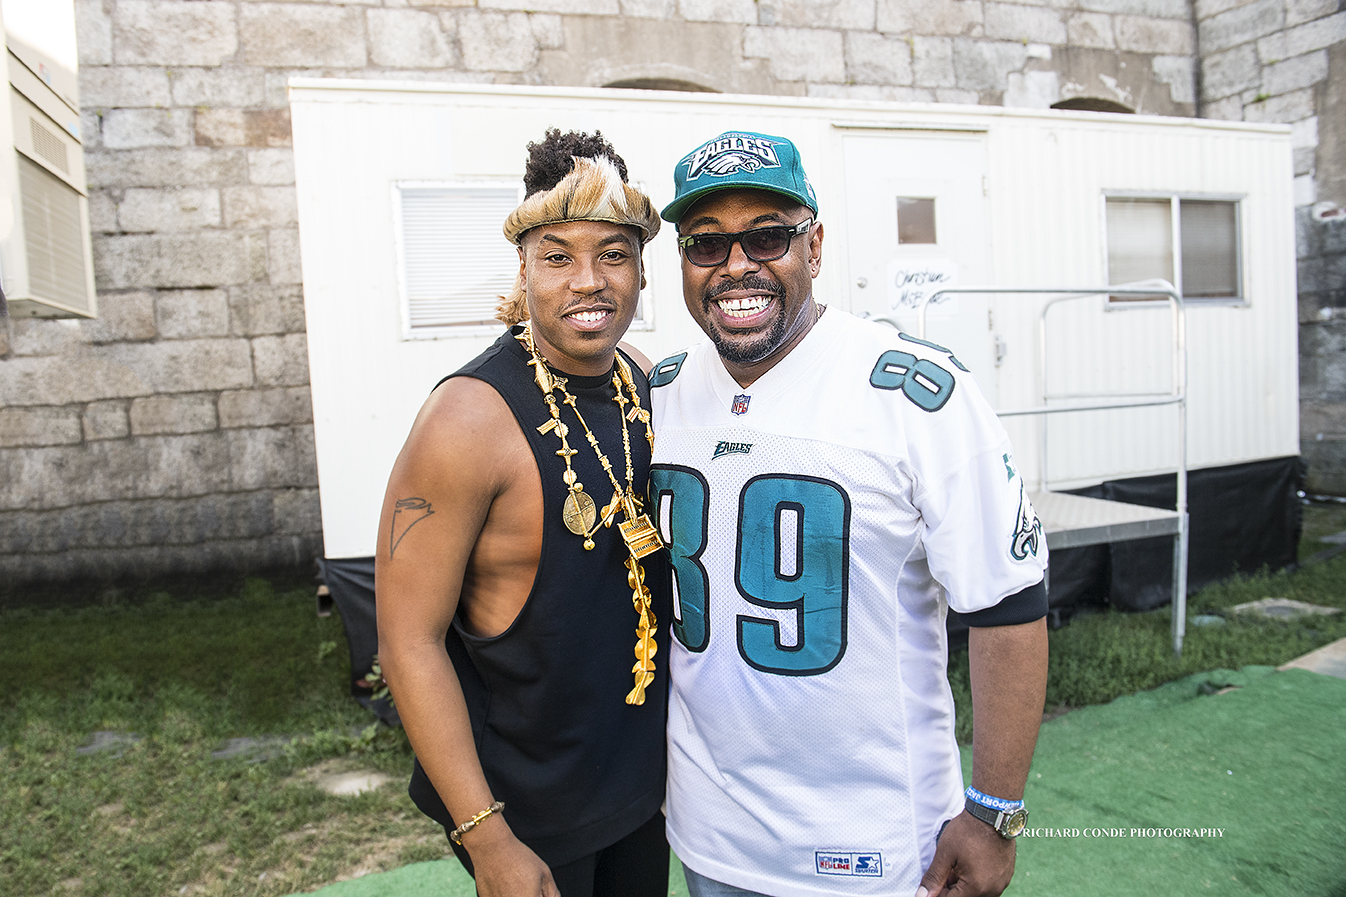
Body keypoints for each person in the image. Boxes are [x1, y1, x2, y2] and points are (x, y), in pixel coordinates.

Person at [648, 130, 1050, 897]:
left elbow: (1008, 603)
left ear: (816, 244)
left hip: (874, 847)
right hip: (709, 834)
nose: (737, 265)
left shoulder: (914, 392)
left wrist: (996, 810)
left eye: (767, 236)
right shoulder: (661, 392)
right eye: (707, 244)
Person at [376, 129, 672, 897]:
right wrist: (488, 836)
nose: (589, 281)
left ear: (642, 265)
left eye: (613, 253)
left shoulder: (643, 379)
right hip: (527, 811)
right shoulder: (465, 421)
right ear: (524, 266)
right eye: (558, 256)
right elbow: (408, 640)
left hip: (640, 792)